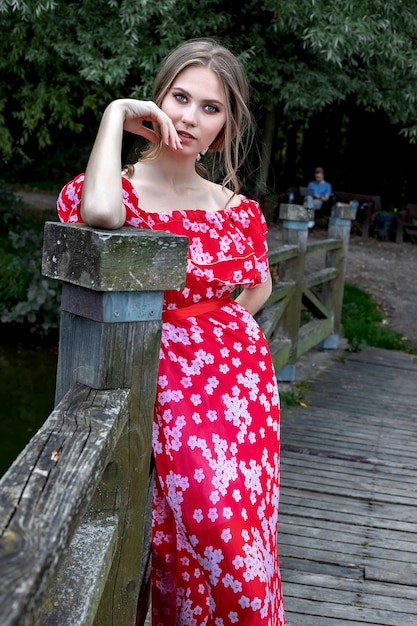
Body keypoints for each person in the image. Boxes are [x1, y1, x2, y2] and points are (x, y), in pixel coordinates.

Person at [57, 38, 286, 626]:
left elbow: (257, 286)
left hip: (241, 389)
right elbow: (101, 215)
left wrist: (226, 332)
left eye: (211, 108)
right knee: (208, 524)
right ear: (155, 100)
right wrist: (114, 115)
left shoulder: (236, 210)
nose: (189, 117)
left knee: (245, 533)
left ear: (226, 126)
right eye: (180, 97)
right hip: (163, 378)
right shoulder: (121, 189)